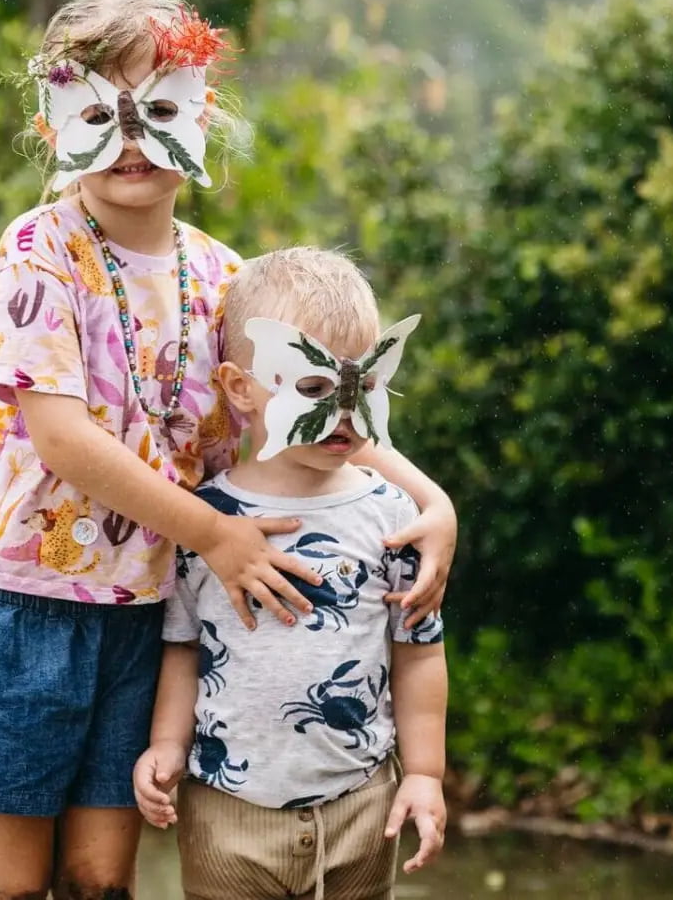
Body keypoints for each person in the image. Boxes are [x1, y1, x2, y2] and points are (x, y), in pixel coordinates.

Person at [0, 0, 457, 900]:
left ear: (203, 117)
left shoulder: (226, 277)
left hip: (145, 614)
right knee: (10, 886)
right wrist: (214, 532)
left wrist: (430, 499)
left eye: (160, 109)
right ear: (54, 125)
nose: (132, 140)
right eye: (101, 111)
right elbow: (61, 436)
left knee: (100, 879)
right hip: (22, 609)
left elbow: (313, 404)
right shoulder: (38, 249)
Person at [133, 247, 449, 900]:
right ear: (241, 387)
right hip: (228, 809)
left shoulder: (393, 516)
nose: (342, 410)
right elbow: (183, 646)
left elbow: (419, 651)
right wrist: (167, 743)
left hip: (361, 801)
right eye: (312, 388)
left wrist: (425, 773)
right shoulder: (206, 521)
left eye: (362, 384)